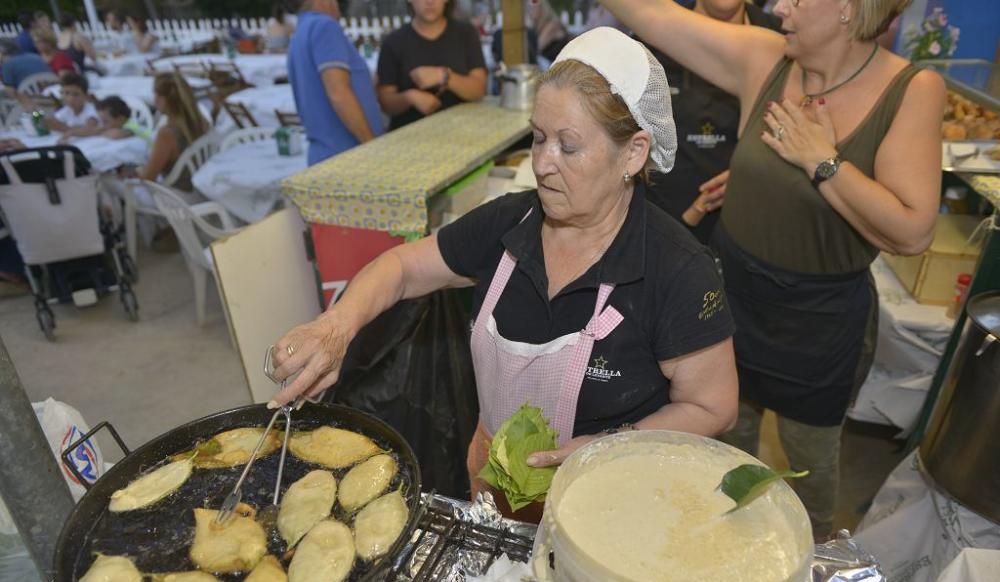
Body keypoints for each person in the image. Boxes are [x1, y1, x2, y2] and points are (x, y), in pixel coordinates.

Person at [269, 28, 739, 521]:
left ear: (634, 153)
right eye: (538, 138)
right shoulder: (509, 223)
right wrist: (334, 328)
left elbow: (714, 407)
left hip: (610, 501)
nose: (542, 163)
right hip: (492, 490)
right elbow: (402, 267)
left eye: (568, 147)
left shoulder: (676, 269)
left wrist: (608, 446)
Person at [600, 0, 945, 538]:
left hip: (819, 322)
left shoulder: (911, 90)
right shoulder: (767, 58)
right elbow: (656, 17)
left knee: (808, 479)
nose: (777, 7)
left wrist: (821, 160)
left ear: (848, 10)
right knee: (721, 463)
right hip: (733, 301)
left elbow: (912, 231)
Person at [644, 0, 782, 244]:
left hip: (758, 232)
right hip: (666, 229)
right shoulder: (653, 38)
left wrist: (760, 171)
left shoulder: (783, 38)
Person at [287, 0, 383, 165]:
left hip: (325, 154)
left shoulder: (302, 30)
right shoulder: (325, 26)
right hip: (347, 157)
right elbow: (338, 93)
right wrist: (371, 145)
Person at [376, 0, 487, 130]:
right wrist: (409, 97)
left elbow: (479, 90)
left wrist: (444, 77)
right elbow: (385, 102)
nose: (430, 2)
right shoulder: (393, 42)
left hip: (463, 132)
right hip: (410, 137)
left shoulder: (466, 34)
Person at [136, 73, 209, 190]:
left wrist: (138, 170)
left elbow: (148, 178)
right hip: (200, 188)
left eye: (156, 95)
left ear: (164, 99)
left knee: (113, 182)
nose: (154, 100)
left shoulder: (168, 133)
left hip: (176, 196)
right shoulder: (202, 122)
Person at [45, 72, 100, 140]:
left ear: (86, 96)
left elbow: (89, 129)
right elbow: (54, 121)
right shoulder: (66, 110)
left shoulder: (91, 110)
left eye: (76, 94)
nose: (71, 99)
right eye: (66, 93)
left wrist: (64, 128)